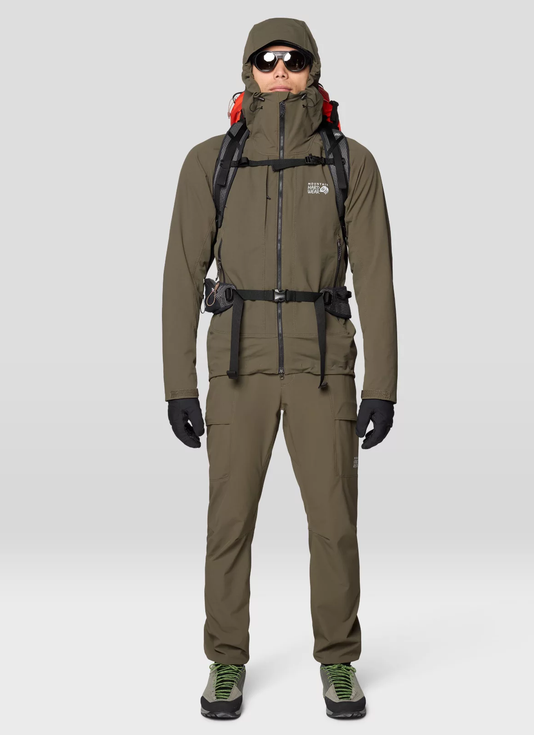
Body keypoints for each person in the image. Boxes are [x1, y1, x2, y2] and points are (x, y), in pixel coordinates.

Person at [161, 17, 398, 720]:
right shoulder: (210, 162)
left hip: (325, 366)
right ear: (249, 70)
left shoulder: (350, 162)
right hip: (239, 368)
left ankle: (339, 660)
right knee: (228, 522)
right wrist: (177, 384)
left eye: (294, 60)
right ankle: (226, 659)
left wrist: (383, 384)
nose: (281, 71)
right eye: (267, 60)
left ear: (313, 69)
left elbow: (376, 277)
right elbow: (181, 275)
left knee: (334, 523)